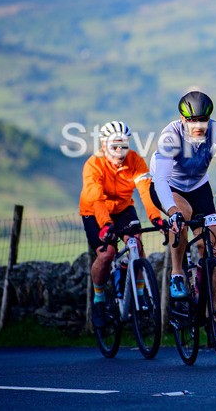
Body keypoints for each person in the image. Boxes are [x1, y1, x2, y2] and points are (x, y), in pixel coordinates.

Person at [149, 91, 216, 308]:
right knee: (183, 213)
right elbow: (160, 179)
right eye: (192, 120)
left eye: (203, 120)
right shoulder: (171, 135)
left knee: (211, 251)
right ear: (182, 119)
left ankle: (211, 318)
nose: (199, 126)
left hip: (199, 187)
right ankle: (177, 273)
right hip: (169, 187)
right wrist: (171, 211)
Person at [79, 120, 165, 328]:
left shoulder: (135, 160)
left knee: (136, 244)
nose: (119, 151)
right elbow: (97, 199)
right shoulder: (93, 165)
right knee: (107, 254)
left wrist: (156, 218)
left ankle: (141, 293)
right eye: (114, 146)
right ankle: (99, 300)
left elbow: (145, 191)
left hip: (123, 208)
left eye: (123, 145)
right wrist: (106, 225)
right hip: (95, 211)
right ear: (103, 145)